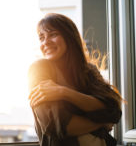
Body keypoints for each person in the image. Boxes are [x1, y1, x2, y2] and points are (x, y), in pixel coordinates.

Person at [28, 13, 122, 146]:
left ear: (70, 37)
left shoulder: (89, 71)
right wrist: (102, 122)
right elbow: (58, 126)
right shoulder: (39, 68)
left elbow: (114, 110)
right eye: (41, 37)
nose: (46, 42)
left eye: (53, 34)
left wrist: (64, 92)